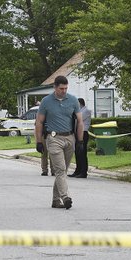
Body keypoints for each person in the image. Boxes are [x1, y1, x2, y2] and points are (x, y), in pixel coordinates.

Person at [34, 76, 84, 210]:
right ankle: (65, 197)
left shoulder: (73, 100)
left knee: (63, 171)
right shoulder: (46, 101)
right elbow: (39, 122)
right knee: (60, 170)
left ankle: (56, 201)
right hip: (53, 138)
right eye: (61, 88)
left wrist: (80, 140)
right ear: (55, 87)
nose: (64, 91)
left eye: (66, 88)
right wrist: (38, 141)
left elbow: (80, 121)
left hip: (69, 138)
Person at [71, 98, 91, 178]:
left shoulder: (86, 111)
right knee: (77, 153)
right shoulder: (80, 111)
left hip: (83, 133)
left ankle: (83, 172)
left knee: (82, 153)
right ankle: (78, 170)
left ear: (80, 103)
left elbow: (79, 118)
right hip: (78, 132)